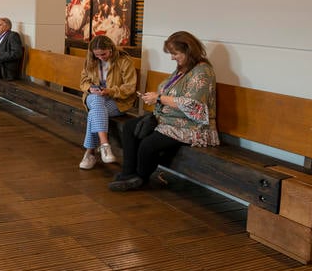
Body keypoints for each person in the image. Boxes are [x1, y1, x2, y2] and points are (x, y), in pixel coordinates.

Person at [109, 30, 219, 191]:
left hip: (192, 126)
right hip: (169, 119)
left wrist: (159, 98)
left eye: (175, 53)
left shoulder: (202, 72)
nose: (172, 57)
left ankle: (140, 177)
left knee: (148, 144)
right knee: (129, 126)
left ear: (188, 50)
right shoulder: (184, 68)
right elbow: (168, 90)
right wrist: (153, 97)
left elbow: (193, 104)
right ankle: (128, 173)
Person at [77, 35, 136, 170]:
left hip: (117, 101)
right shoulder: (91, 60)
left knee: (94, 113)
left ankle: (90, 153)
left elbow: (130, 87)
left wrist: (110, 91)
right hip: (94, 97)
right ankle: (105, 146)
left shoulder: (124, 61)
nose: (100, 57)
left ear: (111, 49)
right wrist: (90, 88)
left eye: (103, 54)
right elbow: (83, 82)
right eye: (97, 55)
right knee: (97, 100)